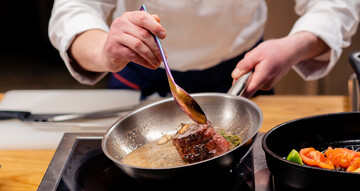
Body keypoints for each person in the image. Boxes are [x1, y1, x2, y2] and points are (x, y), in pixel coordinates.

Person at [49, 0, 359, 99]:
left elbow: (336, 4)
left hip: (245, 76)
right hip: (139, 78)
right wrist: (105, 51)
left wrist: (296, 45)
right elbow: (73, 10)